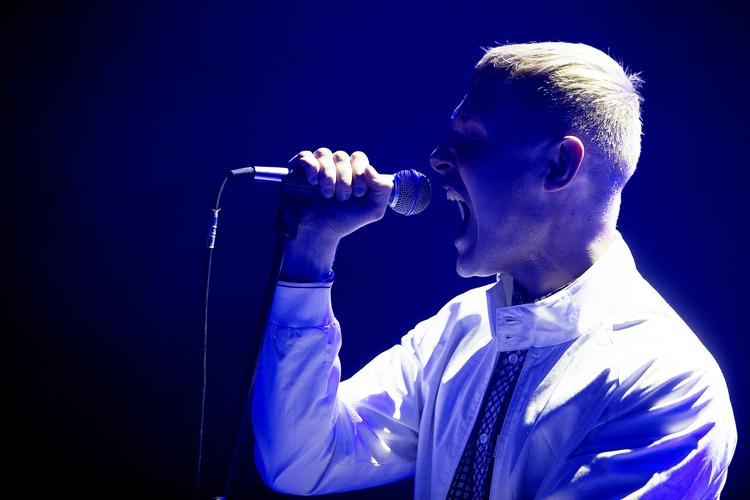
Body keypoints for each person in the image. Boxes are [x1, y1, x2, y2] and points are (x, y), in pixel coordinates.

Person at [251, 42, 737, 498]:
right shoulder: (459, 330)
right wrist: (311, 246)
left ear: (559, 165)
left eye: (470, 137)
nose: (437, 159)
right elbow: (300, 461)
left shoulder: (668, 382)